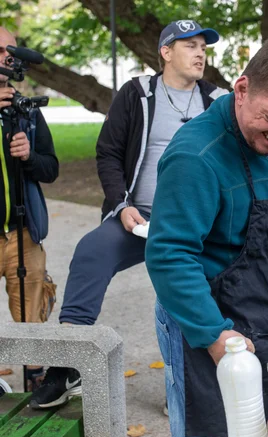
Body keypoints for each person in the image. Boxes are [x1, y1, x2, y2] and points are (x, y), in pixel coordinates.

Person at [145, 34, 268, 437]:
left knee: (259, 425)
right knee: (211, 429)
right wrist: (215, 336)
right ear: (243, 89)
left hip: (262, 318)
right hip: (207, 321)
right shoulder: (195, 158)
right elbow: (169, 256)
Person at [29, 20, 226, 409]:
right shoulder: (136, 93)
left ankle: (187, 387)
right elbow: (108, 153)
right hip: (139, 217)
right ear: (166, 52)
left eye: (204, 46)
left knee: (191, 289)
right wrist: (121, 205)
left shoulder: (218, 101)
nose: (200, 53)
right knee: (90, 252)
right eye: (190, 46)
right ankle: (67, 368)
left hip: (193, 222)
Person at [0, 27, 59, 389]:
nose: (7, 55)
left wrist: (29, 156)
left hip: (23, 234)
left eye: (10, 49)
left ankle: (38, 385)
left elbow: (50, 167)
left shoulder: (24, 109)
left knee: (32, 316)